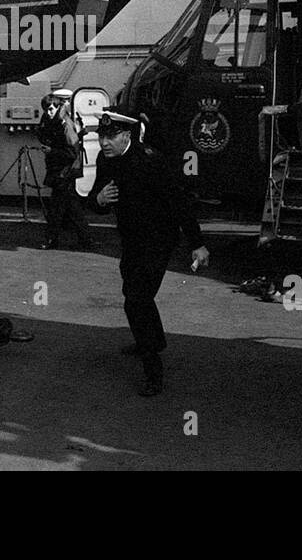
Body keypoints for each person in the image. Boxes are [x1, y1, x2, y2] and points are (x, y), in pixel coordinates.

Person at [88, 109, 210, 397]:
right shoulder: (105, 160)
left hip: (158, 239)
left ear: (127, 135)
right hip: (131, 240)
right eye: (101, 136)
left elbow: (180, 202)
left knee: (136, 300)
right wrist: (100, 199)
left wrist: (197, 243)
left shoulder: (151, 160)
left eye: (111, 136)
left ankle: (152, 369)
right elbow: (94, 200)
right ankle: (154, 341)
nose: (104, 142)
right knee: (134, 293)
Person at [37, 89, 88, 249]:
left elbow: (72, 153)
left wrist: (51, 151)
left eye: (51, 109)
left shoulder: (65, 126)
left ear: (58, 107)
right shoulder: (52, 121)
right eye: (46, 109)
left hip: (65, 172)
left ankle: (52, 239)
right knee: (72, 208)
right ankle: (85, 239)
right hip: (61, 171)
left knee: (56, 209)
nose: (48, 112)